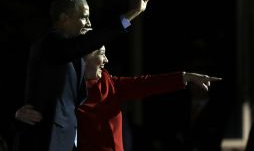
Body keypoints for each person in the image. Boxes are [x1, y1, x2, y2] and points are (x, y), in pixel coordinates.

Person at [13, 0, 151, 151]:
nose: (89, 23)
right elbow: (90, 41)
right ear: (64, 19)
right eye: (84, 17)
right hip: (45, 142)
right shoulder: (50, 44)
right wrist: (132, 13)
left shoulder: (75, 56)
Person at [16, 45, 222, 151]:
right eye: (102, 54)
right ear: (84, 59)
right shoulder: (67, 91)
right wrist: (18, 113)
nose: (106, 59)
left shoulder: (111, 84)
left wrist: (185, 76)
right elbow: (43, 117)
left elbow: (147, 83)